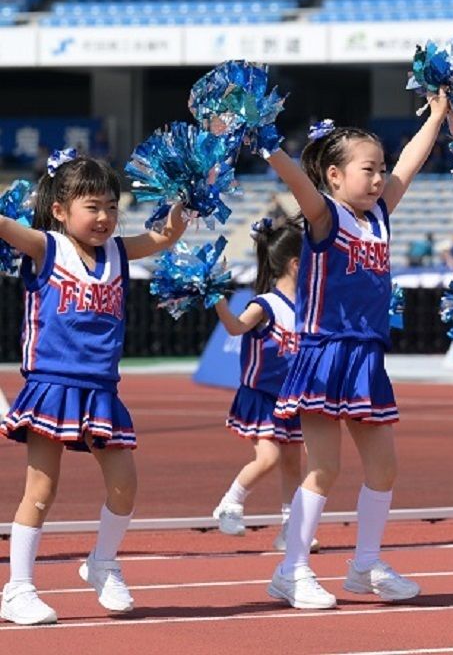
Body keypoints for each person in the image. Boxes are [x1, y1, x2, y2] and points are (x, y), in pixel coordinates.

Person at [262, 90, 449, 610]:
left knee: (383, 468)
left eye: (379, 169)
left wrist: (435, 116)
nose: (378, 177)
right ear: (335, 177)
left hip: (367, 357)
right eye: (367, 169)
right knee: (323, 468)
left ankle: (364, 564)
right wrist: (266, 145)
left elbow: (411, 161)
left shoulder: (381, 214)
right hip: (325, 353)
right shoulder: (325, 217)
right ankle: (291, 569)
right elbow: (297, 181)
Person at [0, 152, 187, 625]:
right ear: (60, 210)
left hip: (102, 390)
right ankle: (18, 587)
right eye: (92, 207)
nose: (104, 217)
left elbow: (164, 237)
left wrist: (182, 206)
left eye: (111, 206)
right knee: (40, 490)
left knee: (125, 486)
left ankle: (102, 561)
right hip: (51, 385)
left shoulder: (120, 252)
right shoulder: (46, 247)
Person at [211, 218, 318, 553]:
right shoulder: (265, 304)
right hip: (261, 397)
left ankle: (290, 528)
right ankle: (230, 502)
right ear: (296, 264)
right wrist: (215, 297)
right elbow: (234, 328)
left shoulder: (307, 304)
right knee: (269, 457)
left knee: (291, 464)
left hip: (290, 399)